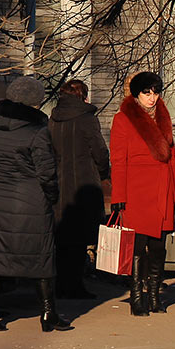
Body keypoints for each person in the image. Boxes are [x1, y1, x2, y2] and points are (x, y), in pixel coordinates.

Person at [0, 76, 71, 332]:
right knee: (42, 258)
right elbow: (47, 173)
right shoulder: (37, 131)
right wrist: (52, 198)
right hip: (30, 203)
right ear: (34, 103)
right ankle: (49, 314)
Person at [110, 71, 175, 316]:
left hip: (163, 189)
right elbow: (118, 160)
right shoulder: (123, 119)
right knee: (138, 247)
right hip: (137, 191)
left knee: (159, 246)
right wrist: (118, 196)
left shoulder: (164, 115)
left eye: (155, 92)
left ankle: (154, 296)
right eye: (146, 93)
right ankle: (136, 297)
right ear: (136, 94)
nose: (152, 98)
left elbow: (171, 157)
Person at [49, 79, 110, 300]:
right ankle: (74, 285)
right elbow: (100, 152)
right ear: (82, 96)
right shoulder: (87, 119)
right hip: (83, 184)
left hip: (58, 183)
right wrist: (103, 173)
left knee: (62, 237)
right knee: (79, 239)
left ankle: (60, 284)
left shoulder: (52, 119)